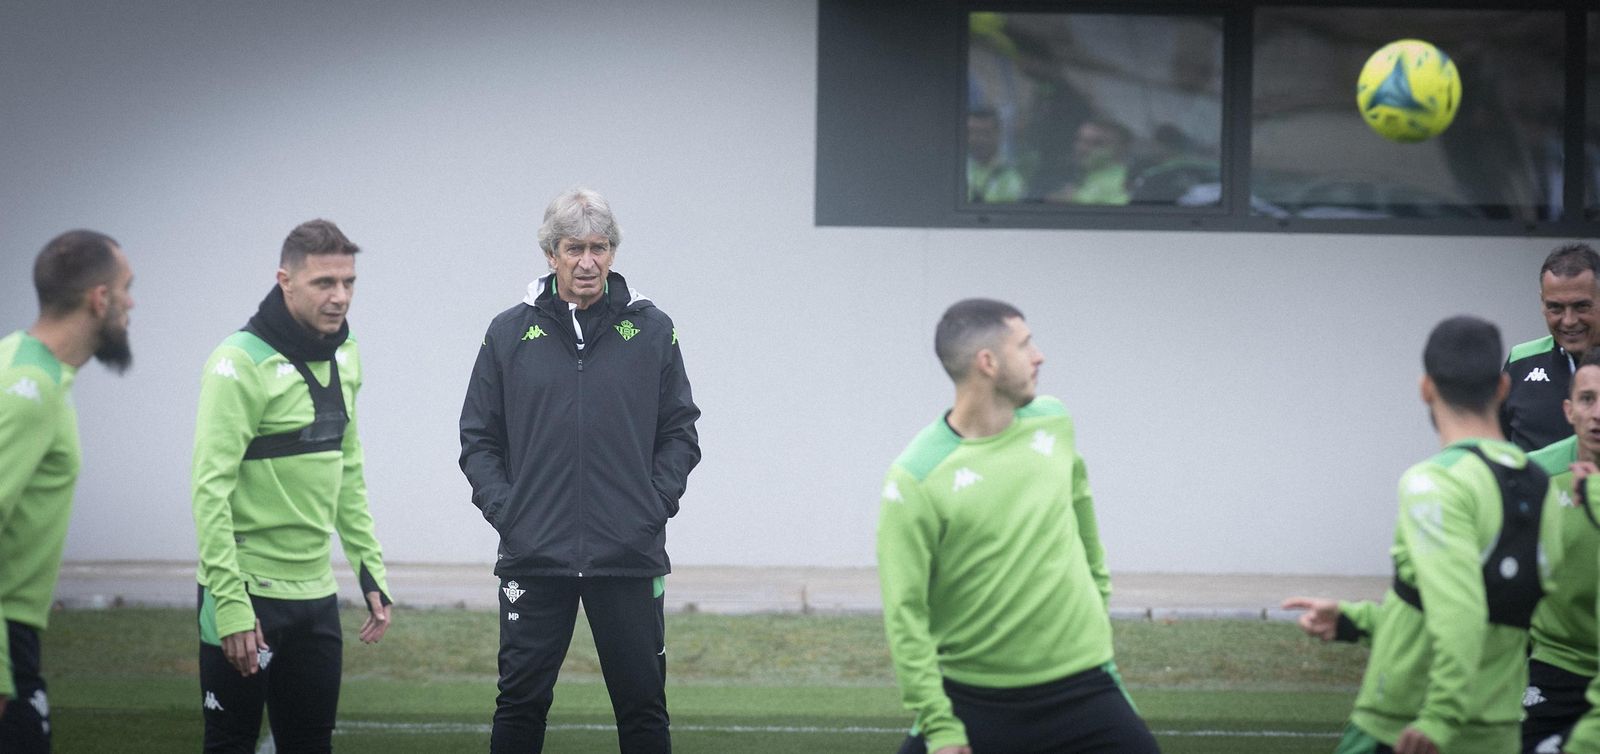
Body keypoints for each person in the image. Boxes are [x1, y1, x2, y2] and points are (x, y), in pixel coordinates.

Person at [459, 188, 701, 753]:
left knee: (643, 707)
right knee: (519, 705)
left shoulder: (652, 330)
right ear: (551, 254)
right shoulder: (508, 333)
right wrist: (510, 514)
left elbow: (680, 432)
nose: (587, 262)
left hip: (627, 555)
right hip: (534, 554)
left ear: (613, 252)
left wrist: (650, 507)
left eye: (599, 247)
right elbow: (478, 439)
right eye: (574, 249)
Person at [876, 298, 1160, 754]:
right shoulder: (915, 477)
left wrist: (1096, 605)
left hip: (1084, 688)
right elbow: (904, 612)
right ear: (987, 363)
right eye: (1025, 344)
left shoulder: (1054, 421)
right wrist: (941, 727)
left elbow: (1083, 517)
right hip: (974, 702)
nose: (1039, 355)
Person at [1283, 315, 1562, 754]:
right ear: (1503, 388)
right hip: (1498, 730)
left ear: (1425, 389)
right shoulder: (1543, 483)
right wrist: (1357, 621)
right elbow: (1496, 605)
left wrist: (1440, 715)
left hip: (1408, 726)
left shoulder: (1434, 483)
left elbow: (1460, 612)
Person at [191, 219, 393, 753]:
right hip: (247, 594)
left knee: (310, 745)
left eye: (348, 282)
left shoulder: (347, 355)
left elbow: (348, 468)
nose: (340, 296)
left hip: (316, 598)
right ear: (285, 280)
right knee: (231, 742)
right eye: (324, 283)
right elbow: (208, 491)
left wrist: (368, 568)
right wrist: (231, 604)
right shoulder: (237, 364)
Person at [0, 230, 134, 752]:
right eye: (127, 288)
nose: (131, 303)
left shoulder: (24, 363)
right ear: (100, 299)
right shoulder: (29, 391)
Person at [1520, 349, 1600, 753]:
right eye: (1588, 400)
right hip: (1558, 662)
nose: (1598, 413)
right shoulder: (1534, 475)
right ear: (1569, 410)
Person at [1502, 243, 1600, 451]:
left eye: (1581, 306)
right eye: (1555, 307)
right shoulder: (1521, 362)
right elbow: (1495, 450)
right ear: (1542, 303)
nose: (1569, 320)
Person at [966, 108, 1025, 203]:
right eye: (972, 132)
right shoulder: (953, 171)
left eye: (985, 133)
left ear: (998, 135)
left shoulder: (1011, 178)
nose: (977, 139)